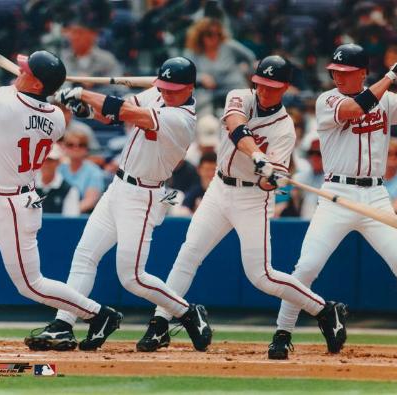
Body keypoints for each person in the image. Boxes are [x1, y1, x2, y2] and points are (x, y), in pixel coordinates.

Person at [136, 55, 348, 359]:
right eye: (261, 84)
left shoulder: (285, 128)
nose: (264, 91)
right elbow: (236, 127)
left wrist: (270, 176)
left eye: (272, 87)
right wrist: (257, 156)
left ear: (285, 87)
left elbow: (268, 183)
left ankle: (325, 310)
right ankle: (159, 322)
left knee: (261, 275)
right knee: (188, 254)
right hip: (220, 188)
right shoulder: (240, 96)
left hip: (252, 198)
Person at [25, 57, 214, 353]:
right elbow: (110, 117)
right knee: (84, 255)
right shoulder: (157, 93)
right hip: (117, 188)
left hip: (143, 197)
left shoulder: (183, 119)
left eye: (172, 89)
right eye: (163, 87)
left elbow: (124, 110)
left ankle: (188, 312)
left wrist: (83, 92)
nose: (165, 93)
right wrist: (83, 107)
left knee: (132, 277)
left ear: (189, 88)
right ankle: (65, 323)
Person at [0, 50, 123, 350]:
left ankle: (99, 314)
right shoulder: (56, 119)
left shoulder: (3, 101)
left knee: (30, 284)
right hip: (1, 201)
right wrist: (64, 98)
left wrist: (58, 95)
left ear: (38, 83)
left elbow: (23, 98)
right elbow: (44, 108)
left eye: (26, 71)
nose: (20, 72)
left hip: (13, 205)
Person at [276, 44, 397, 359]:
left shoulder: (387, 100)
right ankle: (282, 333)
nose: (338, 77)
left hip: (376, 195)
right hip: (337, 195)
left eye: (345, 73)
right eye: (335, 72)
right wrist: (390, 78)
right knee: (306, 267)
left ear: (362, 73)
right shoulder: (328, 99)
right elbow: (355, 109)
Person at [58, 131, 104, 213]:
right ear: (64, 147)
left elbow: (90, 201)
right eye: (70, 145)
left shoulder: (94, 171)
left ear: (87, 149)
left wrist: (69, 212)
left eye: (81, 145)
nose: (76, 148)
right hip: (58, 213)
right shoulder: (59, 168)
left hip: (82, 217)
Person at [35, 144, 80, 216]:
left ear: (58, 162)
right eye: (43, 160)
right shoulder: (29, 187)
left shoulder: (69, 190)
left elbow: (71, 220)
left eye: (50, 160)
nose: (46, 164)